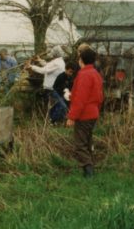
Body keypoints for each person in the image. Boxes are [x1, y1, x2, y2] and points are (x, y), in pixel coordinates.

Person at [66, 44, 104, 178]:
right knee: (87, 143)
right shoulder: (95, 74)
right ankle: (89, 170)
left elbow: (80, 99)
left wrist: (72, 117)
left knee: (79, 146)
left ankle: (89, 173)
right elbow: (99, 97)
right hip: (93, 113)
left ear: (81, 60)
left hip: (84, 115)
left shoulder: (83, 75)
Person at [25, 45, 66, 113]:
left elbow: (44, 70)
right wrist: (39, 60)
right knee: (53, 106)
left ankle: (52, 120)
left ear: (55, 54)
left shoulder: (56, 63)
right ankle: (51, 120)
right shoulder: (59, 61)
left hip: (51, 88)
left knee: (56, 106)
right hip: (54, 88)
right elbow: (48, 65)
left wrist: (31, 67)